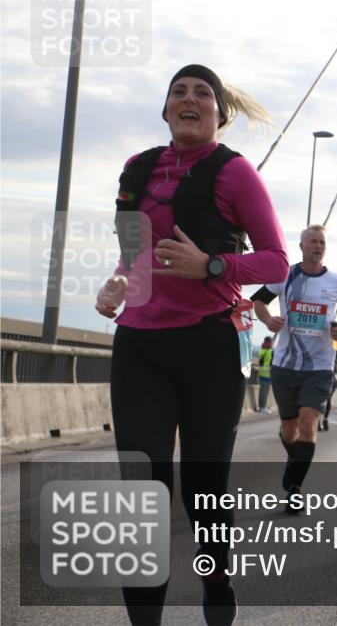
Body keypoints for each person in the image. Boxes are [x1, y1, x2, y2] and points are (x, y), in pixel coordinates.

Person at [94, 64, 287, 626]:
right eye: (179, 91)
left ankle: (217, 579)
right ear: (165, 110)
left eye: (203, 93)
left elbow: (277, 262)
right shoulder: (138, 169)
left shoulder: (235, 173)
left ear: (219, 115)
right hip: (141, 346)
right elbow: (133, 256)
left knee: (205, 488)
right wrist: (117, 284)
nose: (190, 98)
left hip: (210, 345)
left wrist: (213, 265)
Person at [251, 225, 337, 513]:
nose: (318, 246)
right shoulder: (285, 275)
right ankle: (294, 458)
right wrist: (268, 320)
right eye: (313, 241)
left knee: (308, 422)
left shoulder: (336, 282)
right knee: (289, 430)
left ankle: (295, 487)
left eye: (322, 242)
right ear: (301, 246)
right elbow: (258, 301)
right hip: (285, 366)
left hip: (320, 367)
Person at [257, 336, 274, 413]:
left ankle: (262, 406)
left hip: (262, 372)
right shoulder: (270, 351)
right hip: (267, 374)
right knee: (265, 392)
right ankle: (263, 407)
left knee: (262, 391)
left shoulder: (262, 350)